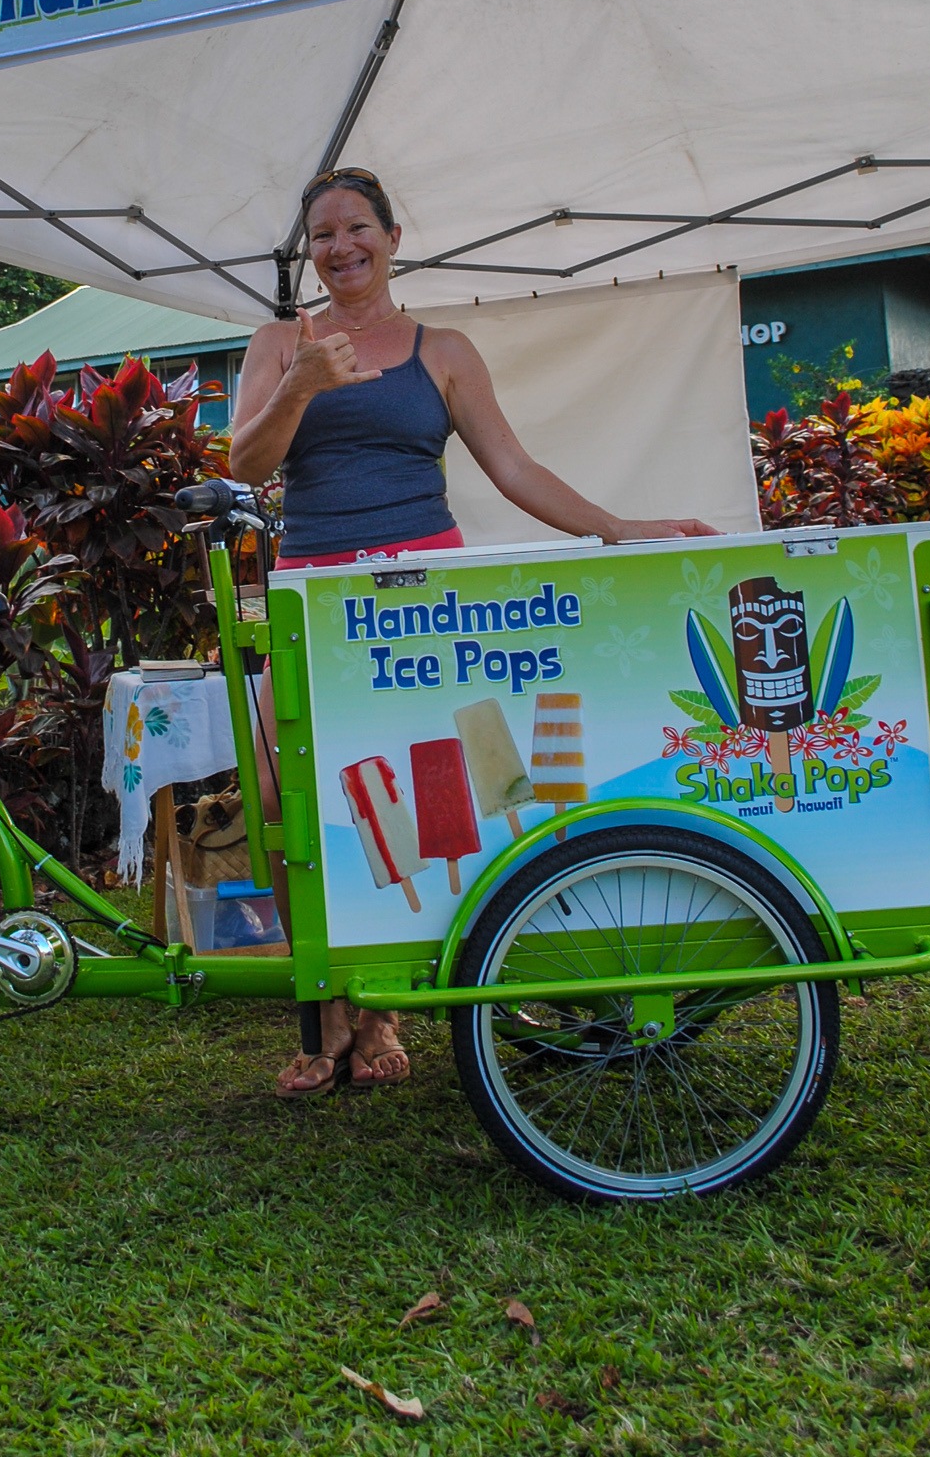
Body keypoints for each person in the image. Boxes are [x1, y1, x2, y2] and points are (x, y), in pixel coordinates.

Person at [229, 166, 718, 1097]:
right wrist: (298, 382)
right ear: (311, 251)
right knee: (279, 792)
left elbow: (513, 468)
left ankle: (378, 1011)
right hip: (316, 598)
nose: (341, 247)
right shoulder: (278, 341)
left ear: (391, 236)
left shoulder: (442, 349)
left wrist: (625, 528)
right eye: (322, 234)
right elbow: (246, 461)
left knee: (442, 790)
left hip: (427, 599)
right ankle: (327, 998)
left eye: (357, 227)